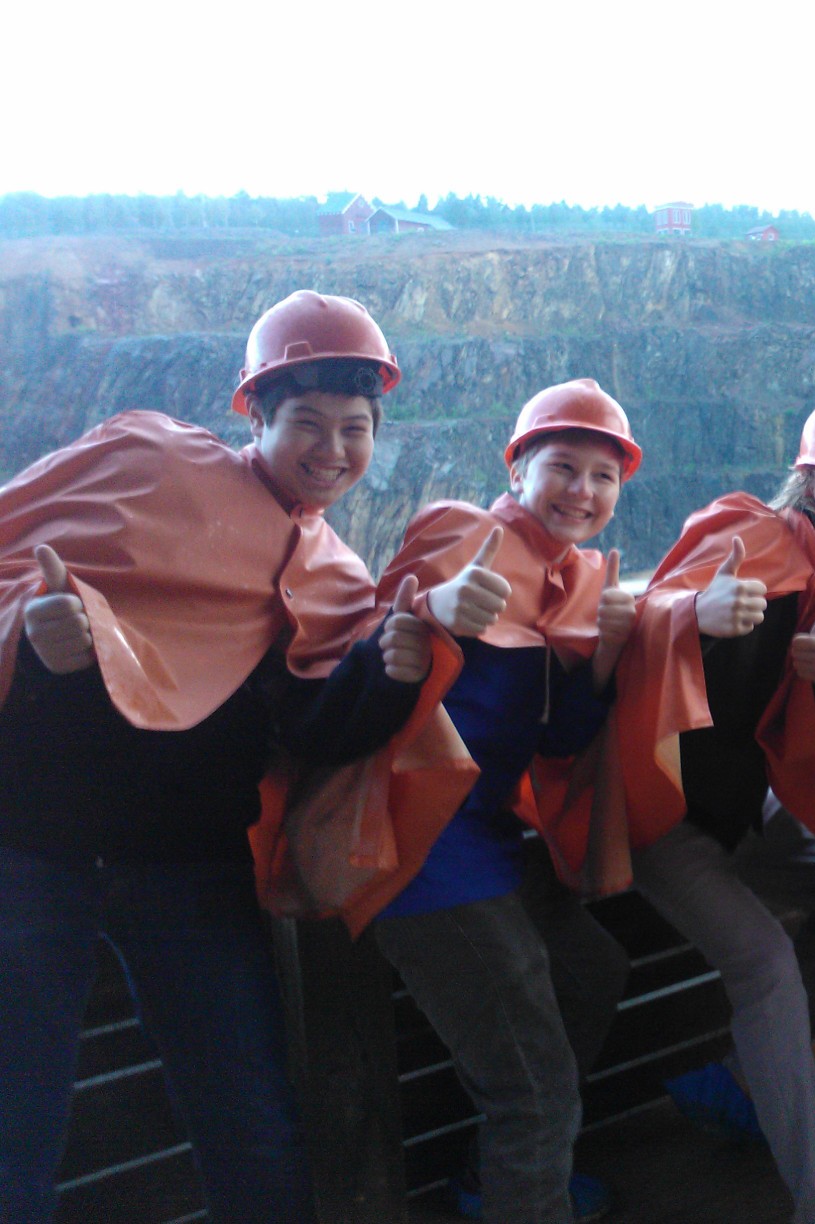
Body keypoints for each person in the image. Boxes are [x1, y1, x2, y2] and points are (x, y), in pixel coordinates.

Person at [0, 291, 441, 1224]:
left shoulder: (337, 576)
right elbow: (11, 560)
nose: (332, 451)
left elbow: (321, 727)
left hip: (189, 874)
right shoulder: (144, 459)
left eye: (355, 429)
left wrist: (394, 674)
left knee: (252, 1124)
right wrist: (36, 647)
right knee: (16, 1126)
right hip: (32, 852)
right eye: (307, 424)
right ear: (255, 414)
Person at [609, 389, 815, 1224]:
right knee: (768, 968)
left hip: (742, 806)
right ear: (806, 483)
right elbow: (651, 610)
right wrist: (695, 615)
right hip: (669, 818)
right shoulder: (750, 534)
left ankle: (750, 1078)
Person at [369, 379, 643, 1224]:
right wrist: (430, 612)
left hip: (484, 837)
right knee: (537, 1092)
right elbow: (372, 639)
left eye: (603, 477)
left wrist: (606, 659)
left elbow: (556, 742)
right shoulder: (463, 531)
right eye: (562, 466)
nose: (582, 492)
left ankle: (505, 1178)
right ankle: (525, 1180)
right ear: (517, 467)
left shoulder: (573, 576)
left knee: (594, 970)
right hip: (418, 850)